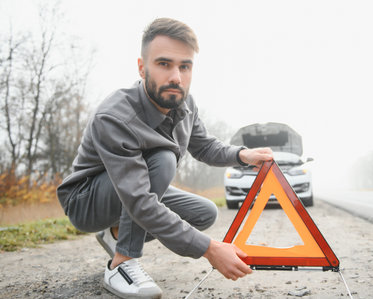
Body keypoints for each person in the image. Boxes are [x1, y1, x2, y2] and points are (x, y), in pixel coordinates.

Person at [57, 17, 273, 299]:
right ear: (141, 67)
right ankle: (121, 263)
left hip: (133, 187)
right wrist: (210, 249)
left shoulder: (185, 102)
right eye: (164, 64)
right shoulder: (114, 116)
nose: (176, 77)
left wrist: (242, 155)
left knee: (205, 213)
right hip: (86, 200)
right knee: (162, 158)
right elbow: (139, 199)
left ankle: (116, 231)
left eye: (185, 66)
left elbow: (203, 146)